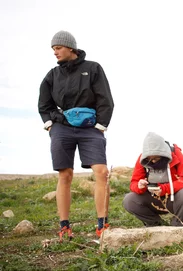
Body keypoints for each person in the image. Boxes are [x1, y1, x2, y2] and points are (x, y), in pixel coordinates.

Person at [38, 30, 114, 241]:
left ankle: (102, 224)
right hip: (62, 128)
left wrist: (101, 125)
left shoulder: (93, 68)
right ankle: (64, 227)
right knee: (65, 174)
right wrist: (50, 125)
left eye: (58, 48)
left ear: (70, 47)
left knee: (101, 172)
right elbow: (44, 104)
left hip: (90, 128)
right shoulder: (52, 75)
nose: (55, 52)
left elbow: (105, 98)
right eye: (53, 49)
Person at [123, 132, 183, 227]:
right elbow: (134, 182)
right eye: (150, 159)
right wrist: (139, 186)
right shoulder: (142, 159)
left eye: (156, 158)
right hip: (153, 199)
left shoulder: (175, 153)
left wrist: (164, 189)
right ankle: (156, 225)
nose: (153, 161)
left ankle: (177, 224)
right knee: (129, 200)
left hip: (174, 199)